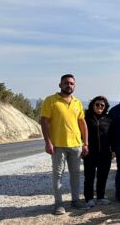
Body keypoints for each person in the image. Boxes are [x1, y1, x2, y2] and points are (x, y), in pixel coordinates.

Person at [40, 74, 89, 215]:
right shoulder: (51, 100)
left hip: (76, 145)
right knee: (58, 175)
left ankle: (75, 201)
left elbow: (82, 123)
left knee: (76, 174)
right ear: (60, 85)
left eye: (72, 83)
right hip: (58, 145)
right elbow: (44, 121)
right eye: (66, 83)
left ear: (75, 86)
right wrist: (47, 142)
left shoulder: (77, 102)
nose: (69, 85)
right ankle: (58, 204)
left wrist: (85, 143)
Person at [83, 96, 113, 208]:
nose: (100, 106)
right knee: (89, 176)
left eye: (102, 105)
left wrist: (113, 150)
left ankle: (100, 197)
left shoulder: (108, 119)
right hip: (90, 153)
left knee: (103, 176)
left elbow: (112, 136)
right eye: (97, 104)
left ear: (105, 107)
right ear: (92, 105)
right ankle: (89, 198)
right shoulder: (86, 118)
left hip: (105, 153)